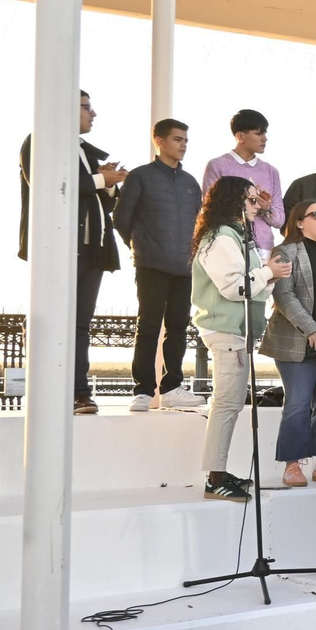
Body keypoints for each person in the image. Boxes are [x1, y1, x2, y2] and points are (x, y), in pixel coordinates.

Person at [19, 89, 124, 414]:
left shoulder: (86, 152)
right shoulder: (38, 141)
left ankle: (79, 392)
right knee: (51, 320)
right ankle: (47, 388)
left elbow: (100, 200)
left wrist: (108, 182)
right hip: (59, 247)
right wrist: (97, 179)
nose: (92, 114)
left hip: (93, 249)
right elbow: (49, 185)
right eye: (86, 107)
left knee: (80, 323)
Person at [190, 176, 292, 502]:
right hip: (226, 331)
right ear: (234, 202)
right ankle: (214, 478)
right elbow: (236, 288)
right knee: (227, 404)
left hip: (233, 330)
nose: (257, 206)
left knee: (229, 404)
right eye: (250, 200)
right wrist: (269, 273)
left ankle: (218, 473)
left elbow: (251, 284)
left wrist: (268, 275)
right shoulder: (222, 238)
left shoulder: (230, 236)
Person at [114, 118, 203, 412]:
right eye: (178, 139)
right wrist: (141, 246)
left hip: (184, 267)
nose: (183, 145)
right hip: (150, 264)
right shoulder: (139, 176)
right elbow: (121, 219)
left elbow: (198, 225)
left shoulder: (191, 183)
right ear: (160, 141)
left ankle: (172, 387)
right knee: (148, 326)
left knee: (179, 327)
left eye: (186, 140)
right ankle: (142, 390)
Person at [261, 199, 316, 488]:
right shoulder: (285, 252)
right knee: (298, 403)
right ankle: (292, 465)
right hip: (297, 341)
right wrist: (311, 330)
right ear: (300, 222)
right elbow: (284, 297)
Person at [202, 108, 283, 252]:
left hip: (265, 249)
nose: (265, 138)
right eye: (259, 133)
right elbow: (212, 211)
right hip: (230, 246)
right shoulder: (217, 166)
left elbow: (279, 221)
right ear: (240, 136)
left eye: (265, 133)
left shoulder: (271, 171)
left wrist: (265, 208)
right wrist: (246, 200)